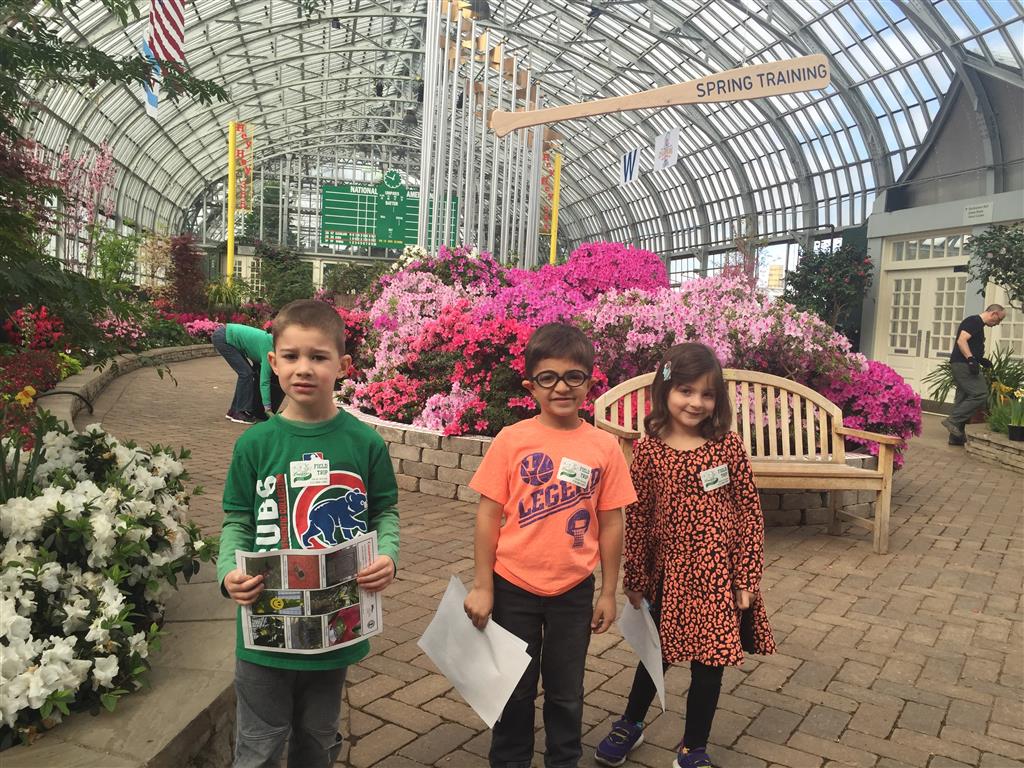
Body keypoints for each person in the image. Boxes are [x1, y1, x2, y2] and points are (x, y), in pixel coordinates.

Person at [217, 299, 399, 768]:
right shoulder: (255, 444)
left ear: (343, 366)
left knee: (318, 740)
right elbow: (237, 518)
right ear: (272, 362)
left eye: (318, 357)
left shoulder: (365, 443)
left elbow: (384, 511)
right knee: (258, 744)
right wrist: (227, 572)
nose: (304, 368)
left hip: (332, 634)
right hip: (264, 632)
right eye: (292, 356)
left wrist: (388, 555)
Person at [464, 322, 637, 768]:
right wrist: (482, 585)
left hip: (572, 591)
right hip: (512, 587)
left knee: (566, 692)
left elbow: (611, 522)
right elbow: (487, 515)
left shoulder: (604, 447)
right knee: (513, 688)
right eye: (548, 378)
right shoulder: (512, 440)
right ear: (531, 386)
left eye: (573, 376)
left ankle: (563, 760)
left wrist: (608, 592)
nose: (561, 387)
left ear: (589, 382)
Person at [594, 343, 775, 768]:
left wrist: (747, 578)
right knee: (655, 654)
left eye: (707, 394)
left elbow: (749, 512)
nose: (696, 402)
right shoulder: (650, 450)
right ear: (665, 390)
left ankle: (694, 747)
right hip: (668, 577)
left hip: (718, 579)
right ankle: (631, 723)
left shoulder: (727, 446)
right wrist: (636, 578)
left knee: (710, 664)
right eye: (686, 391)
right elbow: (639, 517)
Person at [941, 304, 1006, 446]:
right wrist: (970, 359)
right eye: (999, 320)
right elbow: (962, 340)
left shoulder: (978, 325)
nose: (998, 323)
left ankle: (956, 437)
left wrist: (980, 360)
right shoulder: (974, 321)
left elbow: (969, 343)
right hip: (963, 365)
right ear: (994, 314)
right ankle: (953, 421)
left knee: (963, 397)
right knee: (980, 393)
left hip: (962, 364)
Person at [212, 322, 277, 424]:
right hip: (224, 337)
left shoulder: (270, 342)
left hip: (227, 334)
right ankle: (240, 413)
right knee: (246, 374)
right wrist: (268, 409)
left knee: (248, 373)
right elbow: (264, 382)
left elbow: (255, 357)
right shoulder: (269, 348)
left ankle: (233, 411)